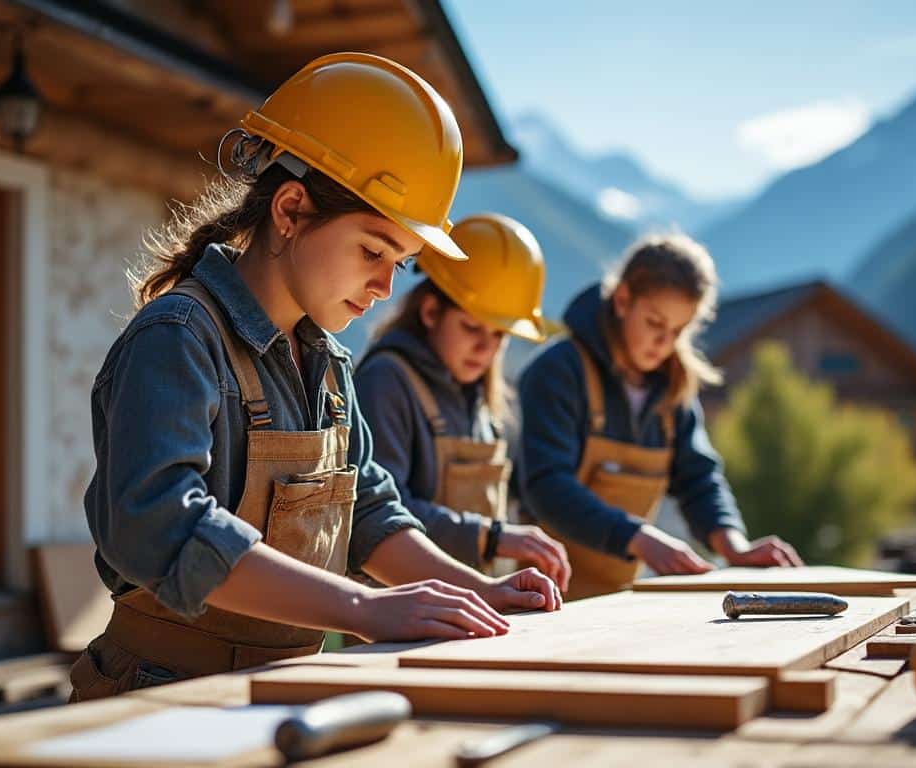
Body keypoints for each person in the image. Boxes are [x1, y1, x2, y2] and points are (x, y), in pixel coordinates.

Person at [70, 53, 560, 703]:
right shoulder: (178, 339)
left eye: (400, 262)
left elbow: (370, 515)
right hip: (158, 699)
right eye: (373, 250)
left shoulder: (327, 363)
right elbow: (160, 525)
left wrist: (477, 587)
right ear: (292, 209)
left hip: (281, 691)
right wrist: (362, 607)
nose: (386, 286)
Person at [517, 233, 802, 600]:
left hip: (620, 599)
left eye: (678, 331)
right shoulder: (557, 372)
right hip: (545, 599)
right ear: (622, 300)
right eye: (654, 323)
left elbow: (699, 479)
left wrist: (733, 545)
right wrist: (639, 538)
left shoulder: (672, 387)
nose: (664, 344)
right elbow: (547, 487)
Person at [355, 214, 571, 591]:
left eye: (499, 335)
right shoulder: (386, 381)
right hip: (399, 617)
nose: (485, 348)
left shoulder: (485, 401)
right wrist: (491, 536)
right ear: (431, 312)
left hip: (474, 605)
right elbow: (379, 510)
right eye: (471, 328)